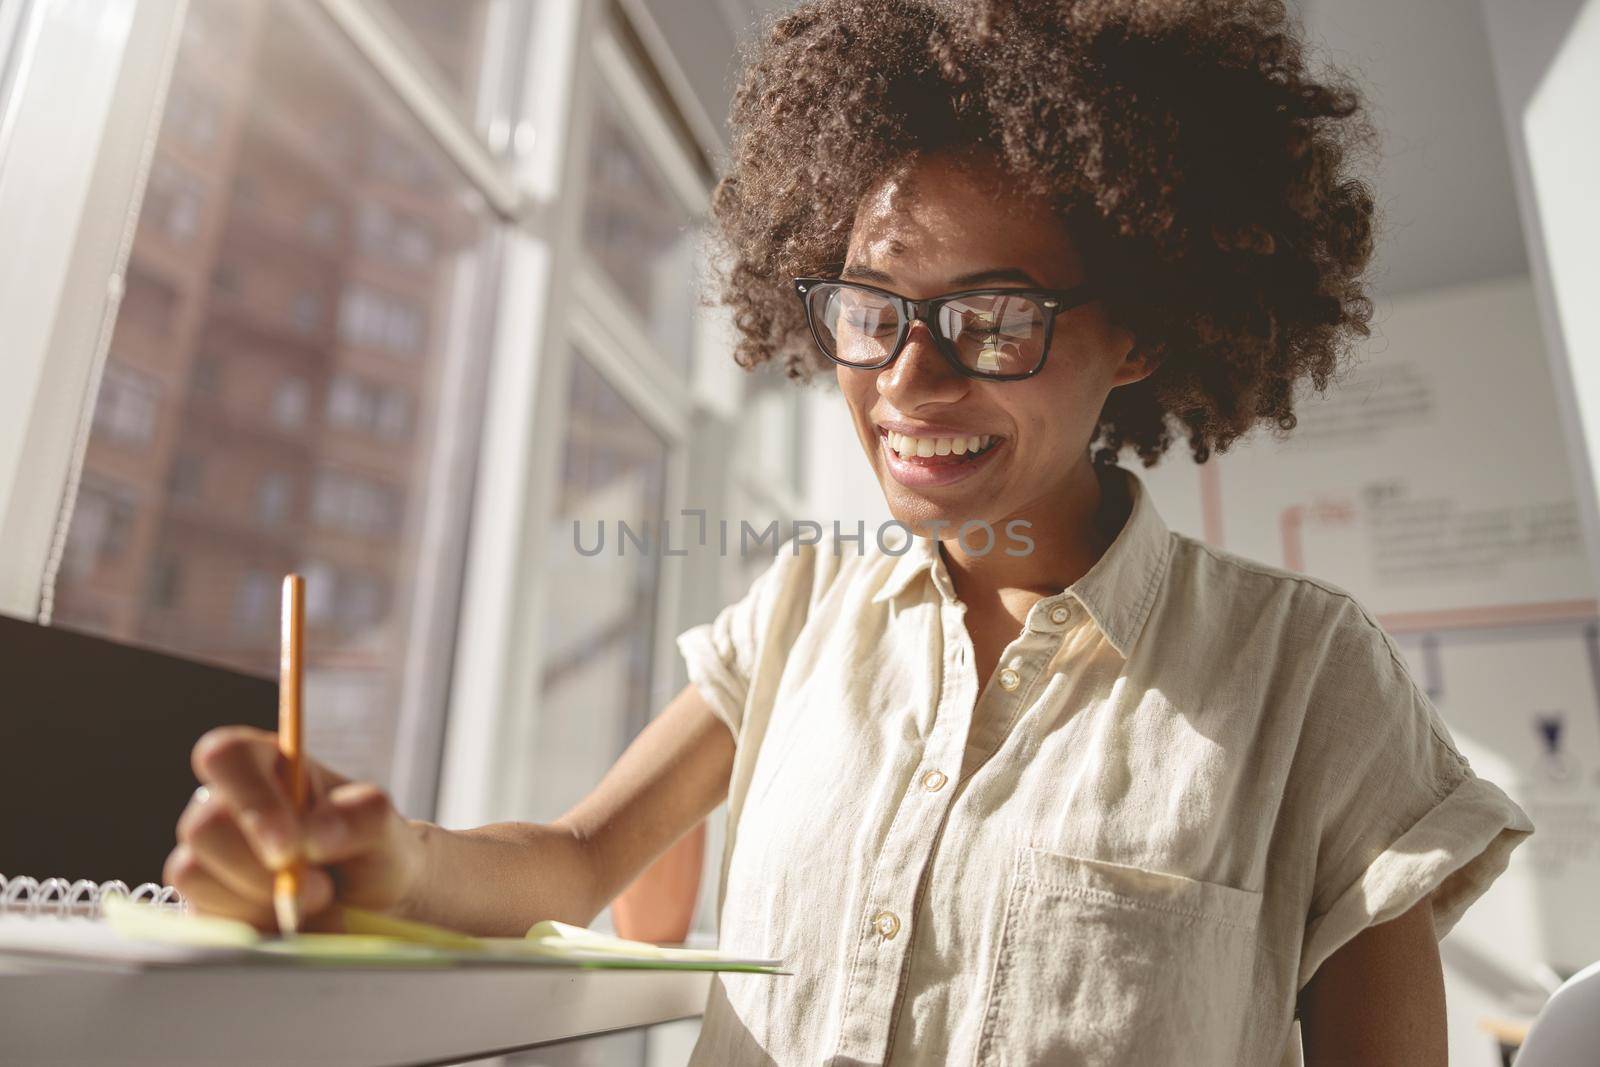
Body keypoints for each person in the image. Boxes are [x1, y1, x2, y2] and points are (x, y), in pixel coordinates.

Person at [167, 1, 1534, 1063]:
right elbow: (581, 862)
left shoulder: (1307, 681)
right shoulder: (800, 611)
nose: (909, 382)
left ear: (1140, 331)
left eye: (996, 320)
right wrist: (388, 862)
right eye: (874, 309)